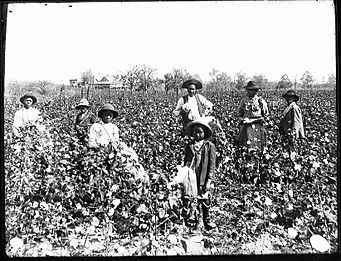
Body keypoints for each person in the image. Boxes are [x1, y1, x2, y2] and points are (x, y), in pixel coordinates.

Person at [183, 118, 216, 230]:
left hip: (203, 176)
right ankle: (194, 219)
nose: (197, 134)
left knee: (204, 197)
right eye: (195, 132)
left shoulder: (209, 146)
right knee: (192, 196)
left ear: (205, 133)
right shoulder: (190, 145)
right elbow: (186, 161)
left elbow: (212, 164)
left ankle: (207, 219)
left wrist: (209, 179)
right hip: (192, 175)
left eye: (200, 132)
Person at [236, 81, 269, 151]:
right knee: (246, 147)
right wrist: (242, 120)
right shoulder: (244, 101)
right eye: (248, 90)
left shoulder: (260, 101)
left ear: (255, 91)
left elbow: (265, 117)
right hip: (246, 128)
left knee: (258, 147)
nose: (249, 92)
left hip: (258, 128)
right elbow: (239, 114)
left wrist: (252, 120)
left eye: (251, 90)